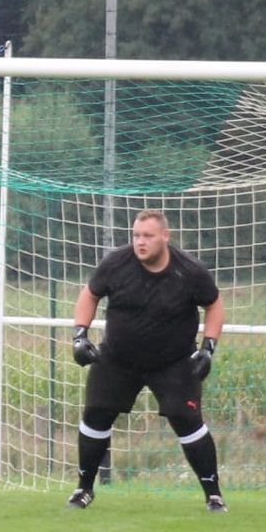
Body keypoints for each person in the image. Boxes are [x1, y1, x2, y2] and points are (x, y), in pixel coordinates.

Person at [68, 209, 227, 512]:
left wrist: (208, 348)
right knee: (97, 413)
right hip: (118, 358)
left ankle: (214, 496)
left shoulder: (190, 271)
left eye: (148, 236)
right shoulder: (115, 263)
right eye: (136, 235)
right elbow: (89, 295)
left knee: (187, 419)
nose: (140, 242)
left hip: (174, 361)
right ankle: (83, 490)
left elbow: (214, 305)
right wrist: (80, 336)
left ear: (165, 237)